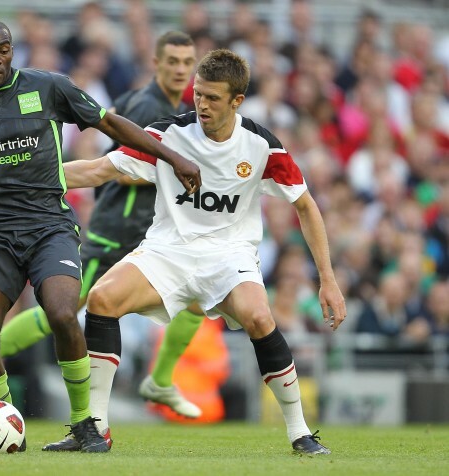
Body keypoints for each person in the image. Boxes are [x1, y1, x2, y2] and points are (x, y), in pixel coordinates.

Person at [43, 49, 346, 455]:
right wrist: (34, 181)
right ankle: (95, 429)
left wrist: (328, 279)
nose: (201, 104)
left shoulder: (261, 146)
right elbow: (100, 169)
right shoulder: (169, 134)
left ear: (237, 101)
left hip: (229, 255)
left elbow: (305, 206)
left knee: (259, 316)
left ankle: (300, 432)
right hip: (168, 251)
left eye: (213, 98)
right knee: (101, 298)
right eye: (198, 94)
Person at [0, 19, 200, 454]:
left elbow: (111, 123)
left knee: (65, 315)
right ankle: (6, 421)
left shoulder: (48, 87)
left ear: (13, 51)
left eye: (3, 49)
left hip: (50, 225)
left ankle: (84, 424)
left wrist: (171, 156)